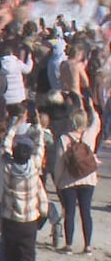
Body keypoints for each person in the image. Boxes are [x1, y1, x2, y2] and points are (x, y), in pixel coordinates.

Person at [0, 118, 48, 261]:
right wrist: (38, 126)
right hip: (29, 221)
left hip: (10, 219)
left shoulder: (8, 168)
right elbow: (40, 146)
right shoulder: (34, 167)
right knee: (27, 255)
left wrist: (14, 126)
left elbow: (4, 146)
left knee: (9, 253)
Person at [53, 96, 100, 255]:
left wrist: (58, 181)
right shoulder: (89, 135)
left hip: (69, 180)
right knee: (86, 212)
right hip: (88, 178)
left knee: (70, 212)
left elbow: (59, 163)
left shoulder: (64, 139)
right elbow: (97, 122)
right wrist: (91, 106)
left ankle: (69, 245)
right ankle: (87, 246)